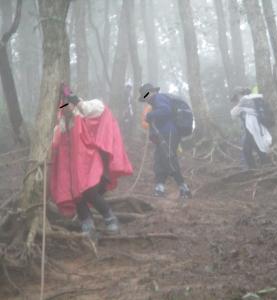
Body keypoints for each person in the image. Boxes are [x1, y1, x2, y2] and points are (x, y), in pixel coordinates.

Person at [51, 87, 133, 237]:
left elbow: (97, 110)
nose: (66, 107)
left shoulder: (86, 112)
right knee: (76, 195)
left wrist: (75, 100)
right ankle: (87, 226)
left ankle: (110, 218)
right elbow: (57, 141)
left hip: (92, 163)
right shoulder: (63, 124)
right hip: (74, 167)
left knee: (88, 190)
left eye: (67, 103)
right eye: (63, 105)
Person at [138, 83, 191, 199]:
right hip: (161, 135)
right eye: (144, 96)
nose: (146, 98)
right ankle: (159, 188)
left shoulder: (159, 97)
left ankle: (184, 188)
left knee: (169, 159)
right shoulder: (155, 101)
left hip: (168, 133)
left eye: (146, 95)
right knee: (159, 160)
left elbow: (165, 111)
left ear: (151, 92)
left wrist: (150, 115)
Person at [230, 87, 273, 170]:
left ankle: (253, 169)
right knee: (257, 146)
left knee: (247, 149)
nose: (236, 100)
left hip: (251, 127)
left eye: (236, 97)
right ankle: (266, 165)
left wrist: (239, 110)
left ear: (239, 94)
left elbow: (233, 113)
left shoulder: (244, 99)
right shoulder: (253, 99)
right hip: (255, 127)